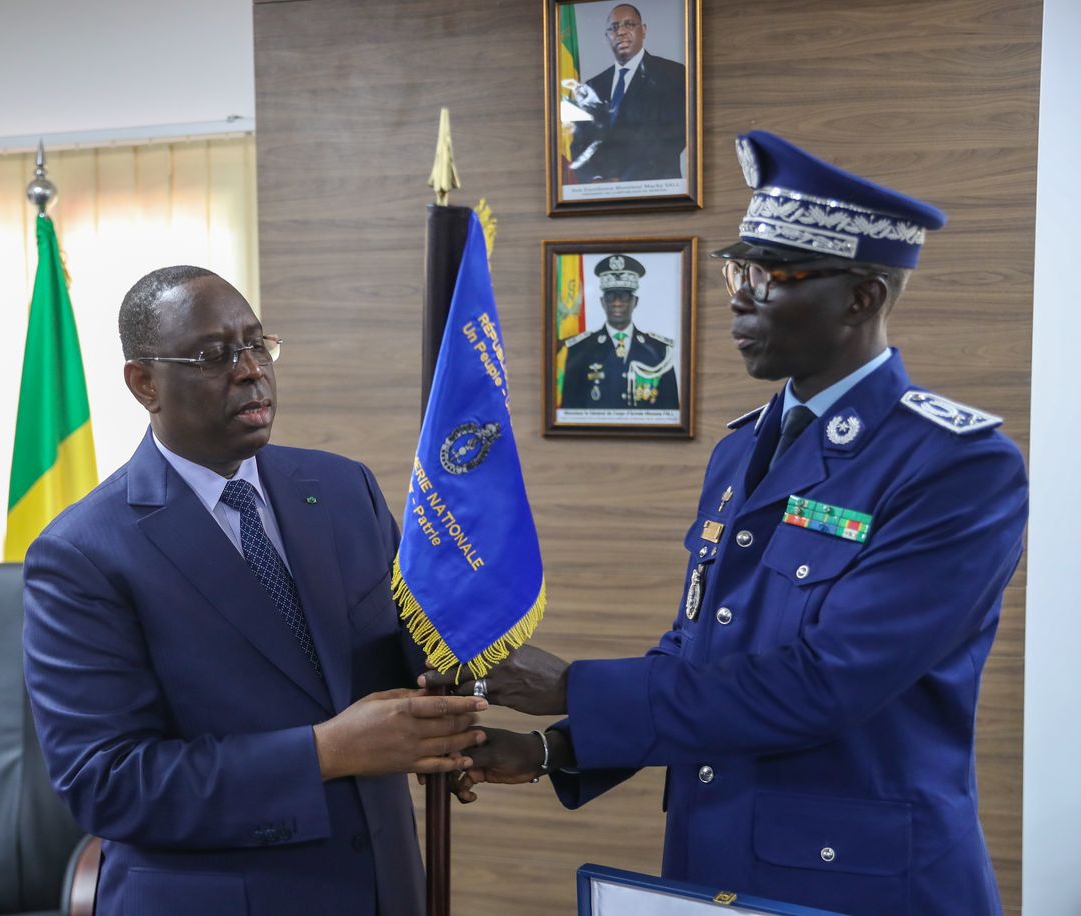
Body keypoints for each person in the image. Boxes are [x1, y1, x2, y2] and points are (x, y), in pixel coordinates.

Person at [432, 131, 1029, 915]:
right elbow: (701, 650)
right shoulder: (746, 447)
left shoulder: (955, 465)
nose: (741, 296)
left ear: (863, 298)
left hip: (859, 880)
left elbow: (823, 683)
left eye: (772, 276)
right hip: (713, 861)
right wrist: (553, 750)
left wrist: (573, 685)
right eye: (737, 271)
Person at [23, 266, 487, 916]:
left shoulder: (344, 489)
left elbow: (407, 652)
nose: (250, 371)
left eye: (257, 344)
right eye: (215, 355)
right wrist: (327, 752)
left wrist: (451, 716)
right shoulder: (82, 555)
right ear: (144, 383)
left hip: (385, 885)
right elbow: (109, 785)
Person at [568, 3, 686, 183]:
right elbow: (579, 144)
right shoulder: (591, 87)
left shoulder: (673, 74)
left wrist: (624, 183)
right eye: (613, 28)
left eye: (629, 24)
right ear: (606, 37)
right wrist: (596, 180)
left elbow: (673, 137)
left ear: (643, 30)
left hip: (655, 192)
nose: (621, 32)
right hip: (600, 196)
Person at [561, 254, 679, 410]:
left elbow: (672, 411)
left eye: (624, 295)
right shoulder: (580, 349)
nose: (617, 303)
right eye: (610, 296)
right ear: (602, 302)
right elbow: (569, 411)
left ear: (635, 302)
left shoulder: (659, 351)